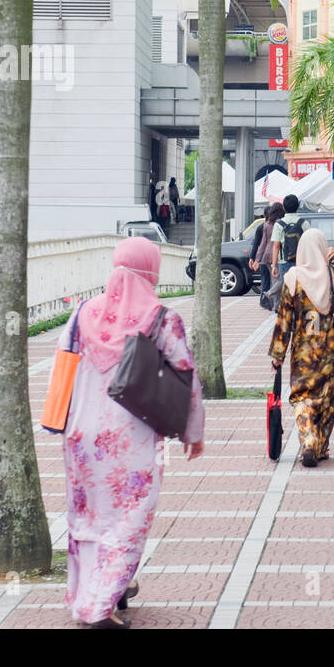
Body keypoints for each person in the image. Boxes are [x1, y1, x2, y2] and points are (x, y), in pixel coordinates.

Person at [60, 237, 205, 628]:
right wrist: (193, 431)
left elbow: (65, 362)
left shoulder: (83, 312)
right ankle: (96, 609)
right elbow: (185, 376)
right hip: (131, 442)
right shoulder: (160, 318)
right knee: (126, 519)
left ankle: (91, 593)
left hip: (79, 435)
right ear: (150, 270)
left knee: (88, 518)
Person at [268, 228, 334, 467]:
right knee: (327, 397)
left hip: (303, 353)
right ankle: (322, 446)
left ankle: (309, 440)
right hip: (332, 349)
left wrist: (278, 355)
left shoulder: (293, 279)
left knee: (302, 397)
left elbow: (283, 320)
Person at [270, 194, 309, 284]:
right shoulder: (304, 223)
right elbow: (309, 244)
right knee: (301, 288)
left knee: (287, 290)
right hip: (302, 262)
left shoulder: (279, 225)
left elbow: (276, 246)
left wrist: (274, 265)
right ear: (298, 206)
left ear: (283, 207)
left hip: (284, 262)